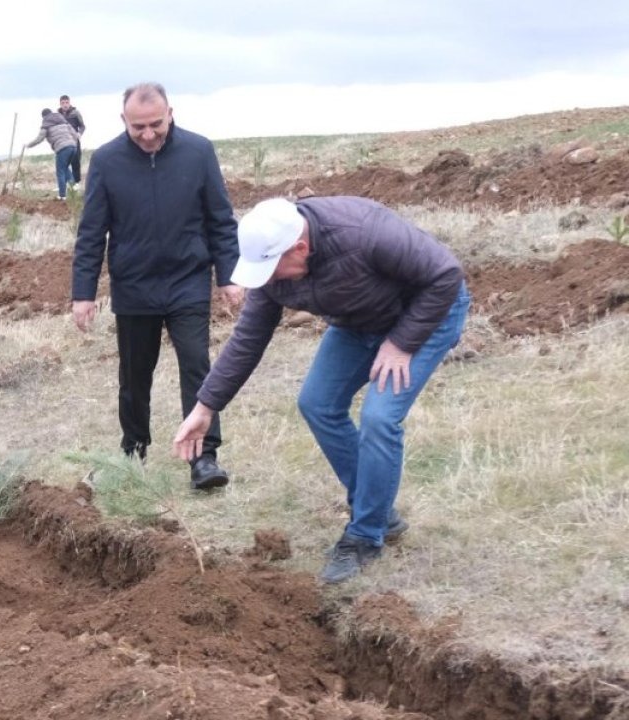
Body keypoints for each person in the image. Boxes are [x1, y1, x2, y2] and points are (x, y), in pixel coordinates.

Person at [172, 196, 470, 584]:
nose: (269, 279)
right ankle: (378, 512)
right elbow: (248, 338)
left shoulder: (365, 233)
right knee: (317, 403)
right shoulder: (274, 273)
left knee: (380, 417)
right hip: (358, 320)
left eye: (273, 269)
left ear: (299, 248)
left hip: (425, 316)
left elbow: (445, 275)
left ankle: (365, 535)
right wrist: (205, 407)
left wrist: (402, 343)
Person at [72, 82, 242, 490]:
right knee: (134, 376)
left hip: (188, 281)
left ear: (170, 114)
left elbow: (220, 218)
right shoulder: (108, 161)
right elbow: (93, 231)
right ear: (124, 122)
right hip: (134, 287)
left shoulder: (199, 152)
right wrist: (83, 292)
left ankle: (204, 459)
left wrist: (229, 276)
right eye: (138, 128)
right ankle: (133, 453)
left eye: (156, 125)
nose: (148, 135)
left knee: (197, 367)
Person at [23, 107, 80, 200]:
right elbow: (75, 134)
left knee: (60, 172)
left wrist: (28, 145)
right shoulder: (63, 120)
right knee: (65, 168)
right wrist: (73, 144)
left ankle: (62, 196)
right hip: (73, 147)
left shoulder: (46, 124)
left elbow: (39, 138)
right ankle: (73, 186)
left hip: (62, 148)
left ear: (43, 116)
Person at [58, 94, 86, 186]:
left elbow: (82, 126)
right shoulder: (58, 115)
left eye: (67, 102)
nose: (65, 105)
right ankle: (65, 183)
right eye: (63, 103)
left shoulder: (75, 113)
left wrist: (79, 133)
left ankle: (76, 183)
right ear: (60, 104)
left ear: (69, 103)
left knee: (76, 162)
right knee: (62, 163)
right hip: (63, 142)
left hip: (74, 141)